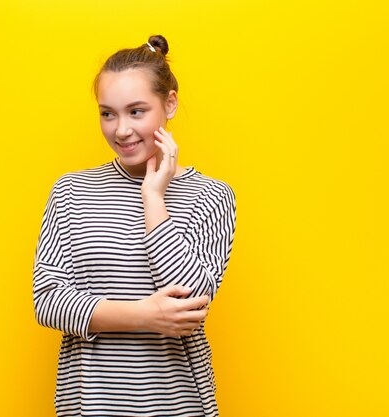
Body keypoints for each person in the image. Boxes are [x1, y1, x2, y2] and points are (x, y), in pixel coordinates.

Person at [32, 34, 237, 417]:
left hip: (179, 406)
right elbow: (47, 301)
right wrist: (145, 315)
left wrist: (154, 198)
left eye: (136, 111)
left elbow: (188, 305)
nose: (120, 129)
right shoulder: (72, 191)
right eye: (107, 113)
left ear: (170, 103)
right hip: (90, 406)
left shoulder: (212, 196)